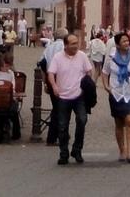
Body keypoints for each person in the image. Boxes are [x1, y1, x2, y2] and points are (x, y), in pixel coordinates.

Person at [45, 31, 93, 165]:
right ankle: (64, 153)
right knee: (62, 126)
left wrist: (89, 83)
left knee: (82, 120)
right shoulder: (58, 57)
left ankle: (77, 149)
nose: (75, 46)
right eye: (72, 44)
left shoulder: (82, 56)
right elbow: (51, 73)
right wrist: (54, 86)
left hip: (79, 95)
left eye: (76, 43)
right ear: (65, 45)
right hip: (63, 96)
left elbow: (89, 71)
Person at [102, 31, 130, 162]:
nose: (126, 43)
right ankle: (122, 150)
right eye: (123, 41)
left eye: (127, 41)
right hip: (116, 92)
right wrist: (106, 86)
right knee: (119, 122)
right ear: (118, 45)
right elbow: (105, 72)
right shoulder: (111, 57)